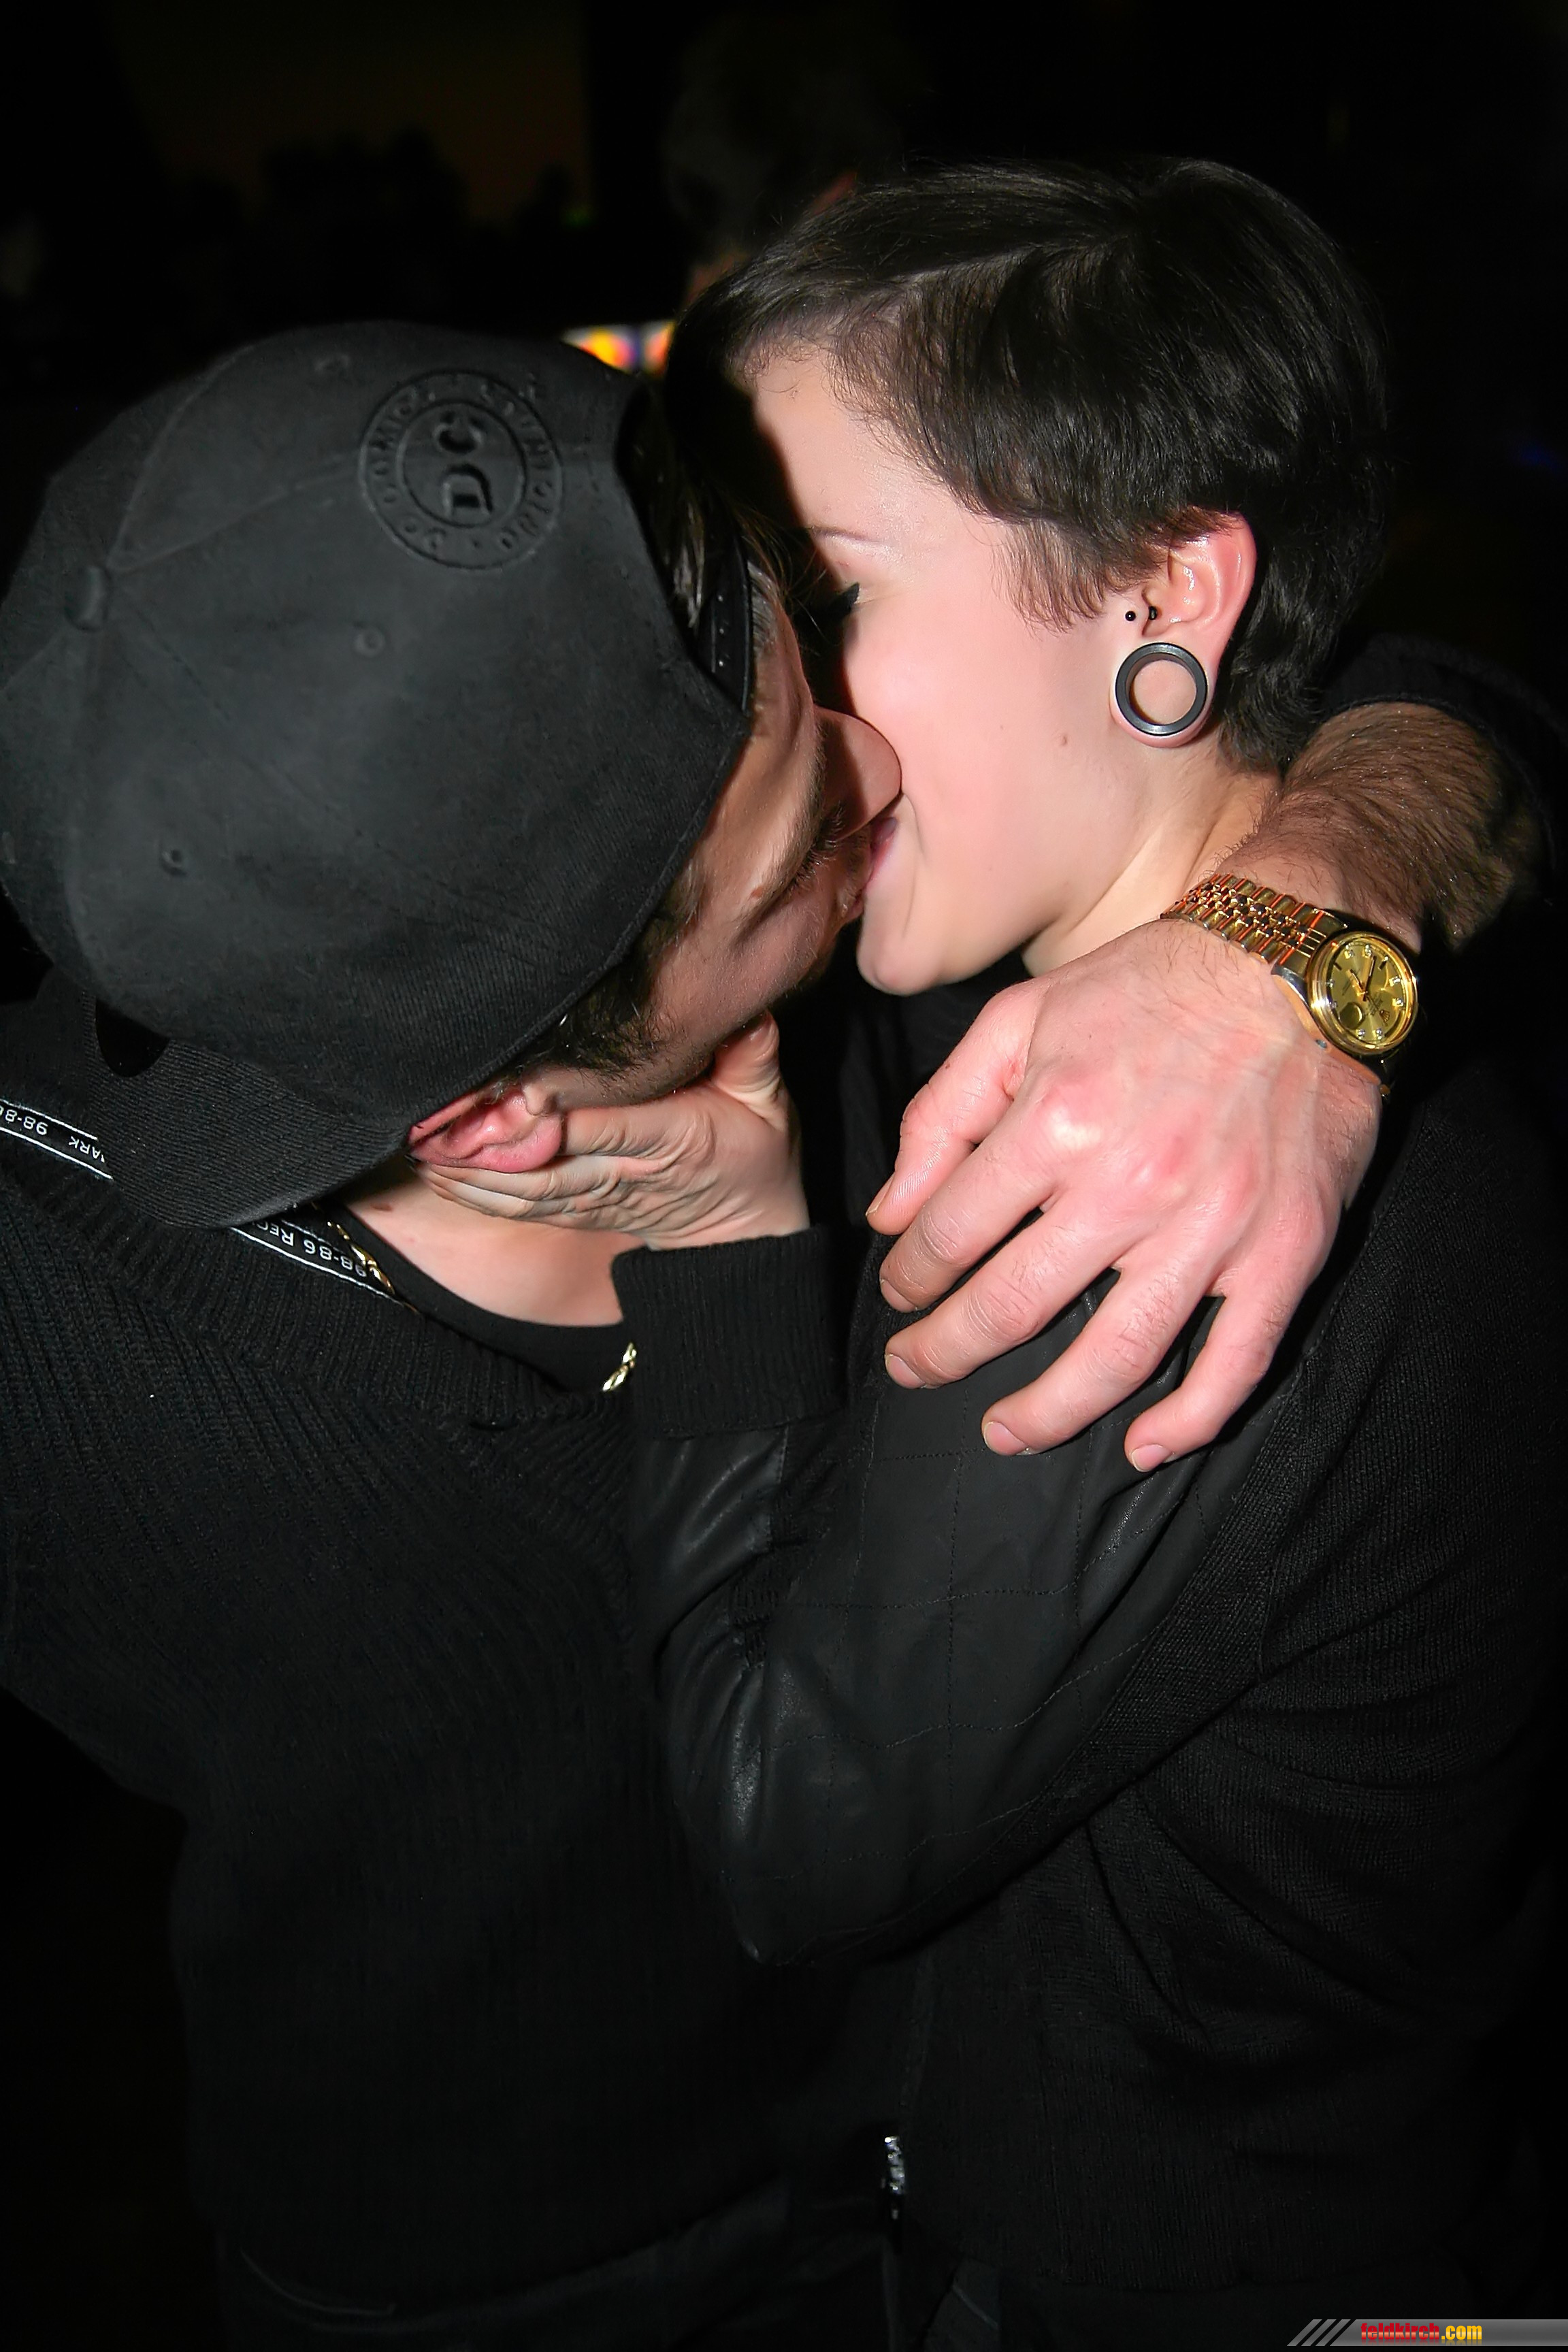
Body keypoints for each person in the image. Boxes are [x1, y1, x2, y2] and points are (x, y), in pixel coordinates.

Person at [0, 314, 1552, 2342]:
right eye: (805, 826)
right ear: (494, 1117)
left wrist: (1303, 924)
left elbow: (1425, 656)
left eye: (815, 650)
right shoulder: (60, 1337)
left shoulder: (929, 988)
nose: (880, 766)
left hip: (933, 2214)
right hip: (487, 2288)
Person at [416, 164, 1568, 2345]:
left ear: (1160, 592)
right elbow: (1456, 686)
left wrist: (724, 1244)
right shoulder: (1024, 946)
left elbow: (781, 1839)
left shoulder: (1147, 1179)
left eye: (824, 597)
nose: (756, 711)